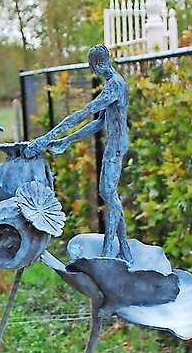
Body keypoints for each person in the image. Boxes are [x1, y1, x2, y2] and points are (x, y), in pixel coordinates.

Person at [24, 44, 133, 263]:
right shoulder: (111, 84)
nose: (92, 71)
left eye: (92, 66)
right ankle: (124, 251)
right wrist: (66, 140)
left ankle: (108, 252)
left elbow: (84, 113)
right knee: (109, 195)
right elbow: (98, 123)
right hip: (115, 142)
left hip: (117, 145)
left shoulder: (115, 86)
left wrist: (47, 137)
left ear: (99, 63)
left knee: (108, 194)